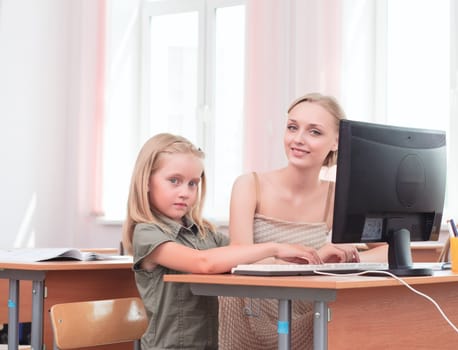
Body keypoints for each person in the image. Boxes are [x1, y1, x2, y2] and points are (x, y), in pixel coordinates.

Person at [121, 132, 325, 350]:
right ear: (147, 182)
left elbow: (246, 258)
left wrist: (316, 256)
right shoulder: (147, 233)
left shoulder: (205, 233)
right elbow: (204, 263)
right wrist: (274, 246)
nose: (185, 192)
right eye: (174, 181)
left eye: (192, 184)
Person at [218, 92, 388, 350]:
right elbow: (241, 257)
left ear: (336, 142)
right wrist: (316, 258)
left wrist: (343, 262)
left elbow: (389, 249)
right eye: (292, 127)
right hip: (250, 314)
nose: (298, 139)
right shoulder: (250, 185)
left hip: (306, 313)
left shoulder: (335, 196)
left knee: (363, 321)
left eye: (314, 132)